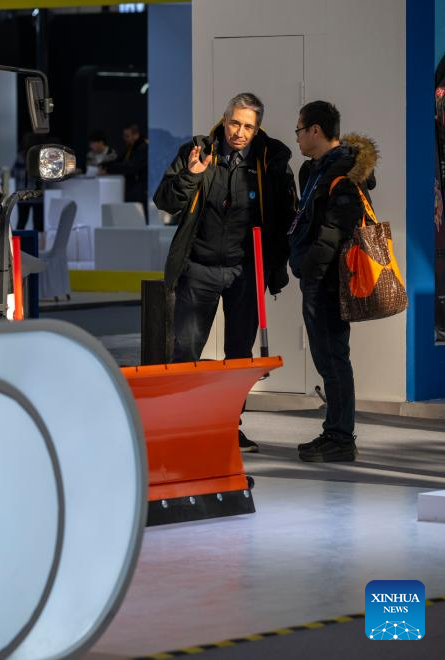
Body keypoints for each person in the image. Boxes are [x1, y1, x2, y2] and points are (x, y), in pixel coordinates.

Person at [154, 92, 297, 453]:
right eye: (235, 123)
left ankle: (229, 427)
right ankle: (183, 426)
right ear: (224, 119)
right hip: (198, 269)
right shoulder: (198, 151)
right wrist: (191, 175)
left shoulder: (270, 159)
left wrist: (275, 266)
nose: (239, 132)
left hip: (245, 272)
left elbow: (285, 217)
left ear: (257, 128)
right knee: (185, 350)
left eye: (248, 126)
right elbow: (164, 201)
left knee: (239, 355)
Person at [289, 101, 375, 462]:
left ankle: (340, 436)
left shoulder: (342, 170)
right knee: (328, 356)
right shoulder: (313, 170)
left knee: (333, 357)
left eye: (299, 130)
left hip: (327, 280)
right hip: (317, 278)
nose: (296, 137)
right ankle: (336, 432)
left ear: (315, 130)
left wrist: (311, 266)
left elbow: (337, 226)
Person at [105, 123, 148, 204]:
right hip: (133, 189)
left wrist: (109, 169)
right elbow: (120, 161)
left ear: (136, 135)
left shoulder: (143, 148)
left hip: (140, 190)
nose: (125, 139)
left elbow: (131, 166)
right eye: (124, 136)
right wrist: (106, 166)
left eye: (127, 136)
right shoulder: (131, 147)